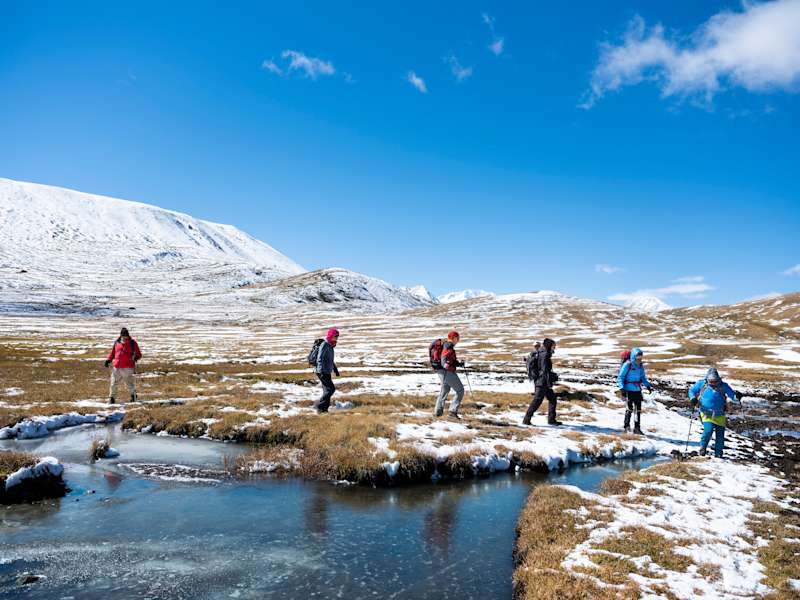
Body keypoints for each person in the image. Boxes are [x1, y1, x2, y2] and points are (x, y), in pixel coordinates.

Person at [688, 367, 738, 458]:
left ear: (718, 379)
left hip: (720, 414)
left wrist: (737, 396)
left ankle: (718, 453)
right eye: (711, 381)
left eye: (715, 381)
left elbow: (733, 395)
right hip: (706, 413)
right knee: (708, 430)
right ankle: (703, 447)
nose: (713, 383)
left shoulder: (723, 386)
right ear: (707, 379)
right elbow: (691, 391)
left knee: (720, 435)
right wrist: (693, 399)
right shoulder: (702, 384)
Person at [523, 338, 561, 426]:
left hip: (542, 381)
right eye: (553, 346)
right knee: (537, 401)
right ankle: (526, 419)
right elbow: (544, 370)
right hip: (542, 382)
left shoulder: (542, 352)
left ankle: (551, 420)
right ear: (549, 345)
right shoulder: (544, 354)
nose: (554, 348)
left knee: (552, 399)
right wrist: (549, 380)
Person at [617, 347, 652, 434]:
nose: (639, 359)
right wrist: (622, 388)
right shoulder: (628, 365)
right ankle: (626, 426)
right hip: (628, 389)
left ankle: (637, 428)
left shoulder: (640, 366)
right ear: (633, 357)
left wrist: (648, 386)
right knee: (629, 409)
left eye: (640, 358)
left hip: (637, 390)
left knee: (638, 410)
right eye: (637, 358)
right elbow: (620, 377)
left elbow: (643, 377)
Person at [104, 327, 142, 404]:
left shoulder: (132, 343)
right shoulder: (117, 342)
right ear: (121, 335)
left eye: (126, 335)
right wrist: (108, 360)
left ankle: (133, 396)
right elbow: (113, 353)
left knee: (129, 384)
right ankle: (112, 398)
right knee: (113, 383)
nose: (125, 337)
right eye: (123, 335)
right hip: (117, 367)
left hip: (128, 367)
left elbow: (139, 354)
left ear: (128, 335)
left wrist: (136, 357)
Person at [434, 331, 465, 419]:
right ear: (454, 338)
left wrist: (458, 364)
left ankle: (437, 413)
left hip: (441, 372)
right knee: (460, 390)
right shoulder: (448, 346)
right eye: (458, 338)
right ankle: (452, 411)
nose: (458, 340)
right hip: (447, 372)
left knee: (444, 391)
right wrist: (449, 365)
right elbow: (444, 361)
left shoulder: (446, 345)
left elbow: (449, 360)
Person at [314, 328, 340, 413]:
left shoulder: (331, 345)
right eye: (335, 336)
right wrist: (320, 370)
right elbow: (320, 358)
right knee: (331, 389)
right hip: (322, 371)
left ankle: (324, 410)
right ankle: (319, 405)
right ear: (331, 335)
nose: (336, 338)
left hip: (327, 371)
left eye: (337, 336)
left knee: (327, 390)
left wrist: (335, 369)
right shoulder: (325, 344)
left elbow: (330, 359)